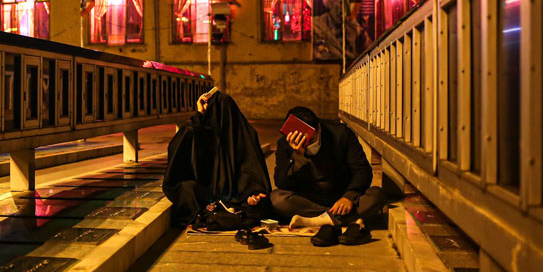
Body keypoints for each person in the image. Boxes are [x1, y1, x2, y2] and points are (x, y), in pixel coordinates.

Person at [270, 106, 386, 246]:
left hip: (341, 196)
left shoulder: (340, 134)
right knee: (276, 199)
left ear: (319, 128)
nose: (308, 144)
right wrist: (298, 156)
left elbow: (362, 170)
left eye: (311, 139)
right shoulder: (286, 143)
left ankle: (313, 221)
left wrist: (349, 196)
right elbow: (281, 182)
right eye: (304, 142)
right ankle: (339, 219)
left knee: (376, 195)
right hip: (309, 199)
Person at [162, 87, 271, 228]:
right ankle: (216, 211)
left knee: (254, 205)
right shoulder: (205, 133)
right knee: (187, 188)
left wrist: (253, 195)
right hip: (210, 194)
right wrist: (199, 115)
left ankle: (216, 212)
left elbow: (252, 174)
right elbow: (182, 145)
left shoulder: (244, 136)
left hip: (236, 196)